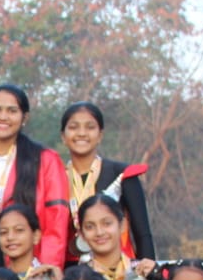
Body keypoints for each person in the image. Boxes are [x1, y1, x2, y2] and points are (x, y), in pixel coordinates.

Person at [0, 84, 69, 273]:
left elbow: (56, 223)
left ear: (24, 118)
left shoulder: (45, 160)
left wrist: (47, 269)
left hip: (29, 261)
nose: (3, 117)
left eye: (12, 111)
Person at [61, 101, 154, 262]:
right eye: (74, 127)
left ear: (100, 135)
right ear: (63, 137)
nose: (82, 133)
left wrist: (149, 270)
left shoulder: (122, 174)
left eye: (90, 127)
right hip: (69, 272)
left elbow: (142, 232)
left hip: (117, 269)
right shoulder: (55, 177)